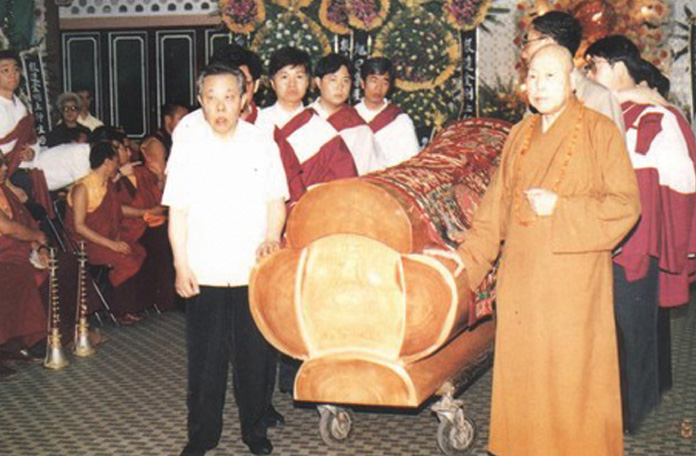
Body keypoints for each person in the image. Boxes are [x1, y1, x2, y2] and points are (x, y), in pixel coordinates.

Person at [452, 44, 640, 456]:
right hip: (521, 282)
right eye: (532, 77)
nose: (538, 86)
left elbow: (626, 206)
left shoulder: (599, 130)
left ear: (573, 82)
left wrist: (562, 207)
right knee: (526, 380)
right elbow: (494, 209)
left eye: (550, 76)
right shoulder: (519, 132)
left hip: (573, 285)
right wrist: (462, 265)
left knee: (571, 379)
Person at [163, 62, 288, 456]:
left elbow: (276, 201)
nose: (220, 108)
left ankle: (255, 431)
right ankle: (201, 436)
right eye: (212, 99)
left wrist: (271, 236)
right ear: (200, 101)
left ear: (244, 100)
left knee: (255, 358)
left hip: (251, 270)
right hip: (205, 271)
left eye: (229, 98)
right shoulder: (187, 146)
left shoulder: (261, 142)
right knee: (205, 363)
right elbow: (177, 212)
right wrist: (181, 264)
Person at [585, 35, 696, 432]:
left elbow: (677, 182)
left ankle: (637, 416)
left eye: (593, 67)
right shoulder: (614, 110)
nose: (589, 76)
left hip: (636, 239)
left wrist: (674, 244)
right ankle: (631, 406)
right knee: (625, 327)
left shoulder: (652, 115)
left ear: (616, 67)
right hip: (609, 234)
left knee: (634, 330)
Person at [257, 46, 357, 209]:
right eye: (284, 77)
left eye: (299, 76)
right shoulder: (258, 124)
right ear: (272, 83)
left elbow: (344, 187)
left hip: (308, 218)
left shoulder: (324, 133)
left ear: (309, 82)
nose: (292, 84)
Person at [65, 140, 146, 324]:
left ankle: (126, 305)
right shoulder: (82, 189)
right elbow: (79, 226)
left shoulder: (106, 184)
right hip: (85, 245)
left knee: (138, 251)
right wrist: (112, 244)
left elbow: (117, 211)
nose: (117, 166)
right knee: (125, 259)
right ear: (108, 162)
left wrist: (144, 213)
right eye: (116, 162)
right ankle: (119, 310)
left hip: (105, 239)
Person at [520, 11, 625, 133]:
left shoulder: (598, 98)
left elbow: (612, 150)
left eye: (527, 43)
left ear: (548, 43)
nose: (523, 54)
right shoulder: (537, 96)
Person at [0, 150, 47, 378]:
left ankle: (53, 335)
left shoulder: (7, 191)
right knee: (17, 275)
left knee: (61, 265)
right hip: (5, 256)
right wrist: (35, 237)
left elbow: (27, 222)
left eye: (3, 165)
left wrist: (40, 247)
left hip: (16, 252)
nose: (2, 170)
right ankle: (28, 340)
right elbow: (8, 228)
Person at [311, 53, 384, 175]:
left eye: (345, 81)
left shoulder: (358, 128)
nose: (340, 87)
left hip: (350, 191)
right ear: (318, 82)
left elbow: (373, 173)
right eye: (333, 80)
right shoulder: (304, 120)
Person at [354, 57, 420, 167]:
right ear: (362, 83)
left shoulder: (400, 121)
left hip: (388, 181)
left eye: (384, 82)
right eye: (374, 81)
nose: (378, 88)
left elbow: (411, 163)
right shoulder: (349, 116)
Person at [0, 49, 39, 199]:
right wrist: (8, 185)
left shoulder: (21, 106)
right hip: (6, 177)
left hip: (22, 169)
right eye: (5, 70)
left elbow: (32, 139)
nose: (12, 74)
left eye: (16, 69)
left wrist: (32, 153)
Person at [210, 43, 264, 123]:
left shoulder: (268, 124)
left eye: (245, 82)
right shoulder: (195, 124)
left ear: (256, 85)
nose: (238, 90)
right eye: (229, 83)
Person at [140, 103, 188, 183]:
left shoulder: (179, 141)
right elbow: (161, 177)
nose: (186, 124)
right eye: (181, 119)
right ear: (168, 120)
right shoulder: (155, 143)